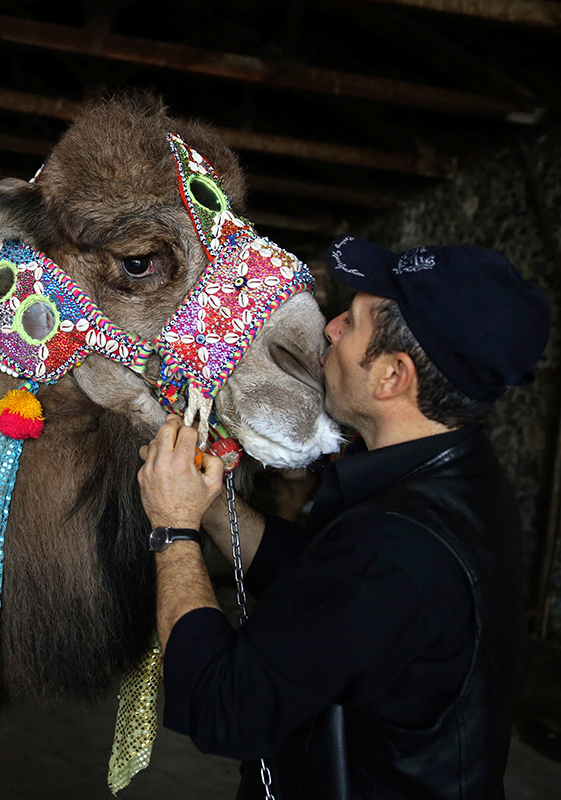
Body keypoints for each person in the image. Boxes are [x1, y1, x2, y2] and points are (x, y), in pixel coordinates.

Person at [137, 235, 550, 799]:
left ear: (391, 376)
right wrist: (212, 510)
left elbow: (224, 706)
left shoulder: (398, 548)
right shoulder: (448, 476)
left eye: (351, 321)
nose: (329, 328)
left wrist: (173, 527)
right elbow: (317, 587)